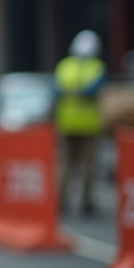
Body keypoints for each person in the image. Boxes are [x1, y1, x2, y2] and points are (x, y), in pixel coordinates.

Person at [55, 30, 106, 215]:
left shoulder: (64, 66)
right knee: (87, 165)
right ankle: (86, 203)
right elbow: (93, 91)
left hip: (67, 123)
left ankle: (61, 202)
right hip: (89, 125)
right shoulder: (96, 67)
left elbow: (56, 90)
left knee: (67, 164)